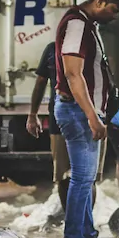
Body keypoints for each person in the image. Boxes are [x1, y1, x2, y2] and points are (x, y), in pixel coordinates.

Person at [54, 0, 119, 238]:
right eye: (113, 9)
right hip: (78, 112)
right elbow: (74, 74)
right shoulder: (76, 24)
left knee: (85, 181)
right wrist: (91, 115)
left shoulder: (87, 24)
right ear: (99, 2)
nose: (114, 15)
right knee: (82, 180)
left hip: (83, 111)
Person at [27, 39, 70, 214]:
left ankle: (81, 222)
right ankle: (72, 220)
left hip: (82, 119)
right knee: (64, 174)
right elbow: (40, 82)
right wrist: (32, 114)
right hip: (61, 118)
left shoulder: (90, 44)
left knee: (83, 177)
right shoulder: (53, 48)